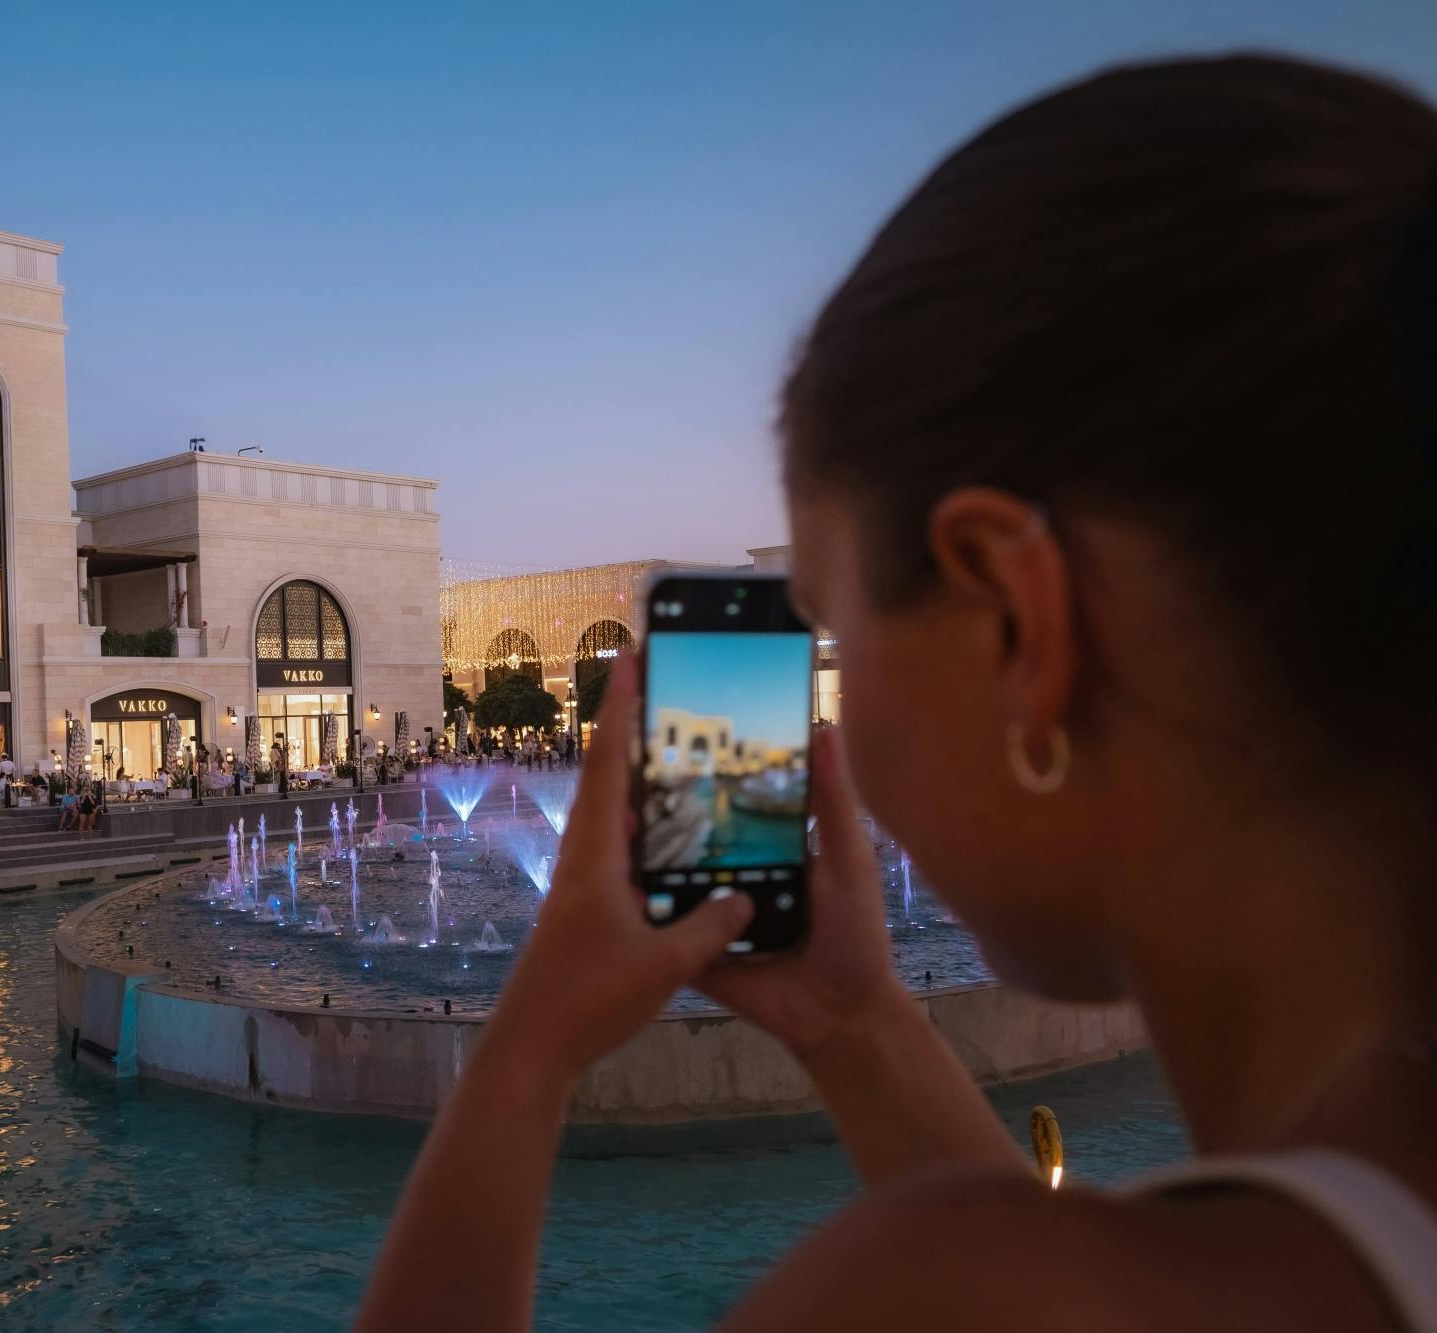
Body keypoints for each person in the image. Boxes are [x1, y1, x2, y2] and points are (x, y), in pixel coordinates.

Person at [359, 56, 1437, 1333]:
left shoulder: (932, 1286)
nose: (827, 718)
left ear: (1016, 622)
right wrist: (857, 1025)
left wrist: (519, 1061)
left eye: (835, 629)